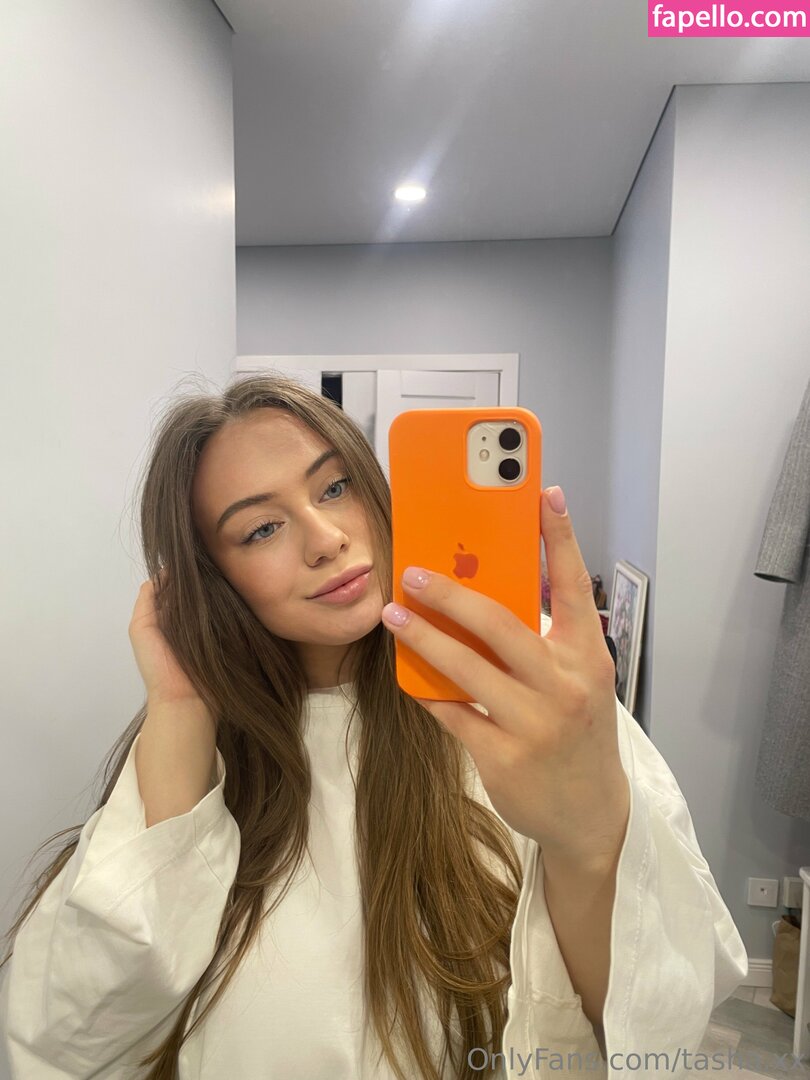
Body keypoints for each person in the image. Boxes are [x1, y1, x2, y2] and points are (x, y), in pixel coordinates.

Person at [0, 373, 747, 1079]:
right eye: (261, 529)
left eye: (335, 487)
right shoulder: (201, 745)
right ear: (212, 580)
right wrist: (180, 707)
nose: (325, 537)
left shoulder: (532, 691)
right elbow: (68, 1036)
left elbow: (655, 1025)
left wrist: (586, 839)